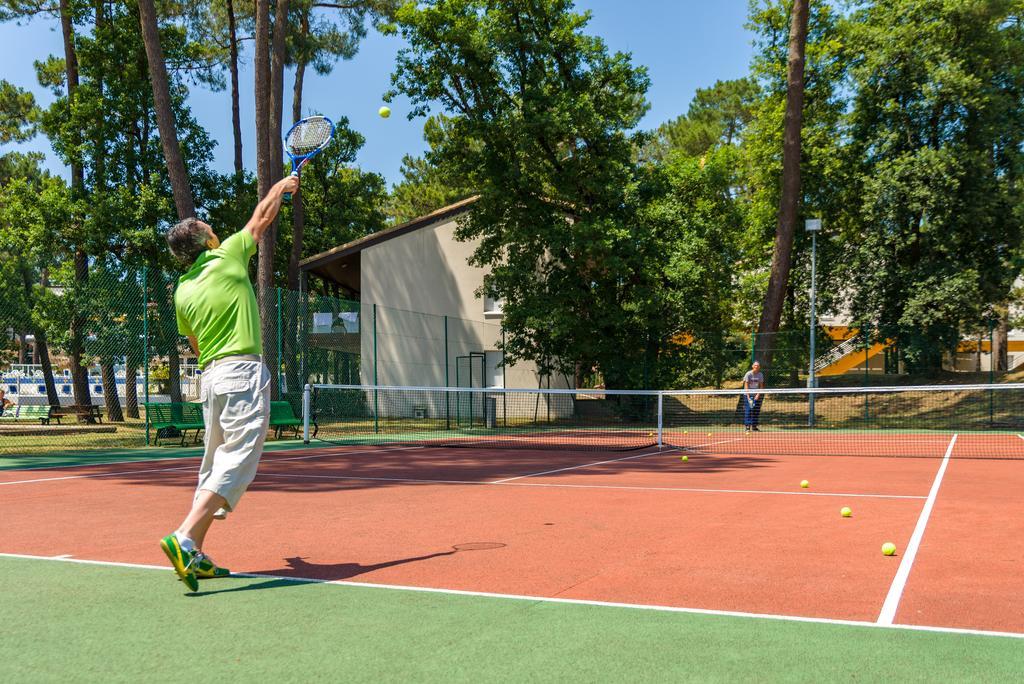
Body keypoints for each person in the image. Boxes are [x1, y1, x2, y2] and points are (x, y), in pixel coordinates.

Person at [159, 175, 299, 592]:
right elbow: (260, 219)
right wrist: (281, 187)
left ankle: (195, 553)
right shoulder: (227, 256)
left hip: (211, 379)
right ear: (207, 243)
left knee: (214, 462)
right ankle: (184, 536)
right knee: (238, 456)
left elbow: (196, 343)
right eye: (209, 229)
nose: (215, 231)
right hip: (241, 373)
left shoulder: (182, 290)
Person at [742, 360, 765, 432]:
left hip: (756, 395)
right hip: (748, 395)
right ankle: (747, 426)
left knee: (756, 411)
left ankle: (754, 426)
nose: (756, 367)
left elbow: (761, 386)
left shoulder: (760, 375)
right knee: (748, 410)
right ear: (752, 366)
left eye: (757, 366)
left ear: (759, 367)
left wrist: (758, 395)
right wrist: (748, 396)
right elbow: (746, 386)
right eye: (755, 365)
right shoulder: (748, 374)